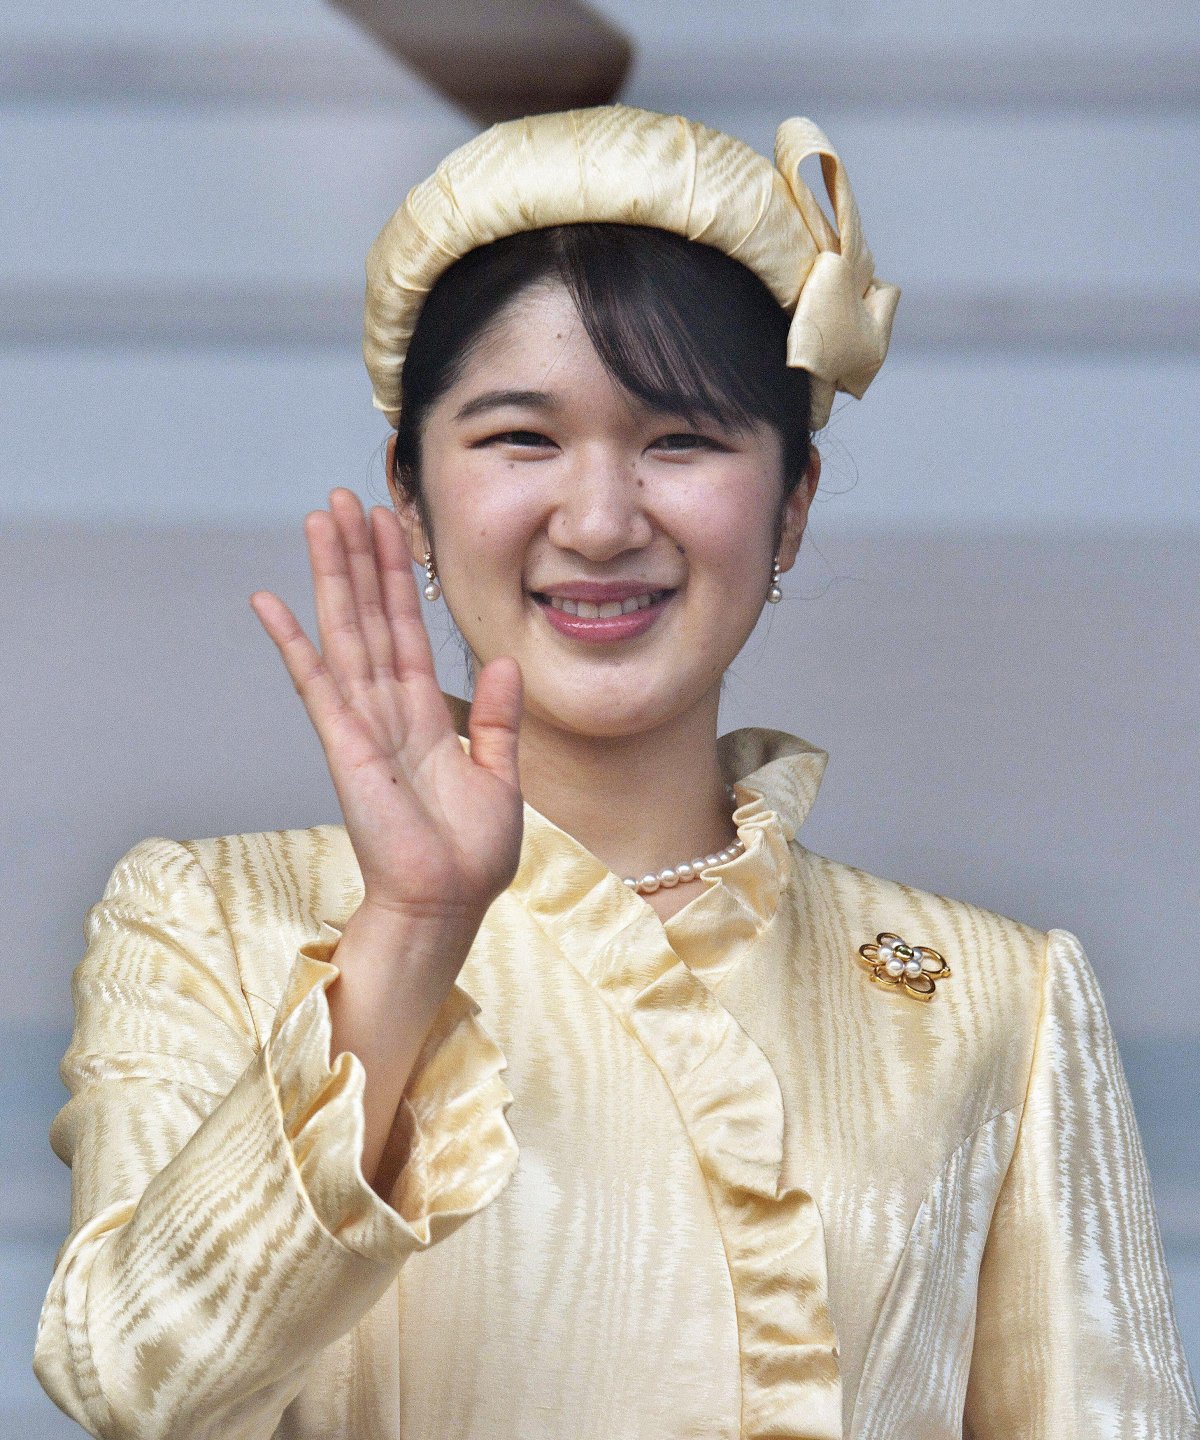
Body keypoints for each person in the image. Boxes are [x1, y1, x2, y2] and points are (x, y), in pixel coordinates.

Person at [33, 104, 1198, 1440]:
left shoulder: (1000, 997)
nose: (598, 521)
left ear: (794, 507)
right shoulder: (206, 918)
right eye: (521, 438)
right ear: (409, 494)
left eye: (682, 440)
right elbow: (128, 1383)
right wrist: (410, 931)